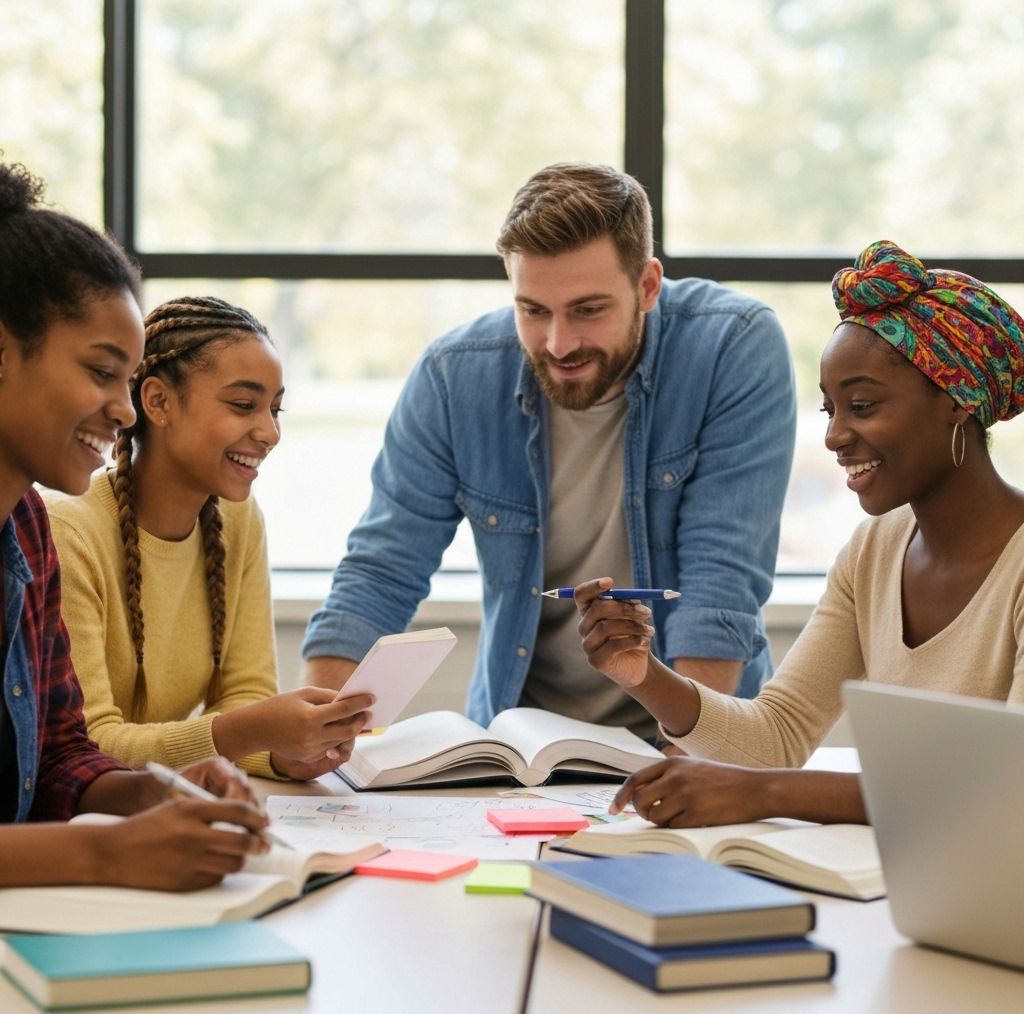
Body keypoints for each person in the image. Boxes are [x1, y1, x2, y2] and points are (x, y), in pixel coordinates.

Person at [302, 163, 796, 738]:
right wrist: (315, 737)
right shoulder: (453, 377)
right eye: (533, 311)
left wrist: (687, 768)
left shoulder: (732, 348)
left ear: (647, 286)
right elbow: (381, 572)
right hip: (520, 746)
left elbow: (719, 586)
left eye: (588, 310)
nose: (559, 344)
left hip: (690, 733)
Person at [575, 239, 1024, 826]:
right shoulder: (875, 551)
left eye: (861, 405)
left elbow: (1008, 784)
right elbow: (776, 736)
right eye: (829, 410)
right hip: (903, 886)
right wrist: (642, 673)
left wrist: (766, 795)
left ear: (957, 402)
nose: (835, 436)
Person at [0, 159, 271, 890]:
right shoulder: (63, 526)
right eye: (99, 371)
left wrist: (155, 791)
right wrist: (105, 854)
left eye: (129, 380)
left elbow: (60, 757)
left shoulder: (24, 529)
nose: (123, 410)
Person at [46, 297, 373, 781]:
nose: (270, 432)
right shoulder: (70, 532)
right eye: (244, 405)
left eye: (274, 408)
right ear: (158, 402)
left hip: (159, 807)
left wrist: (284, 754)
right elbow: (90, 745)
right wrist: (243, 734)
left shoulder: (237, 519)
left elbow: (246, 696)